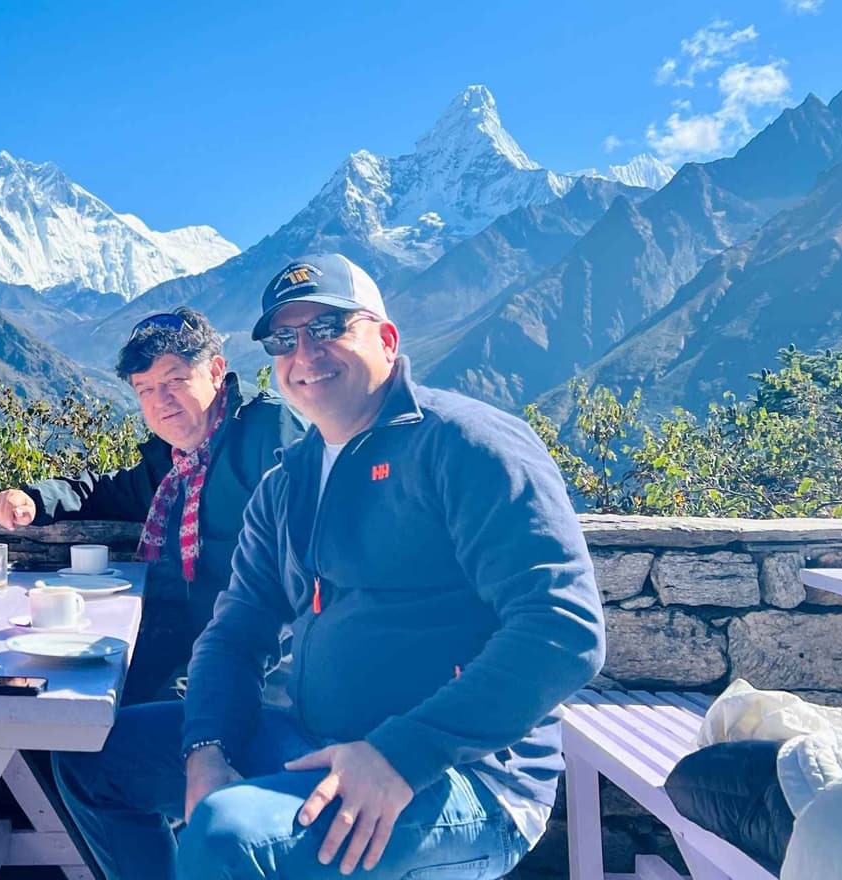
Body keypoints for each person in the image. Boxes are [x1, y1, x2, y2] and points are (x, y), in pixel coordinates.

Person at [52, 254, 607, 879]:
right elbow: (236, 635)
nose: (305, 354)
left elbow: (563, 633)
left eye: (328, 328)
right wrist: (207, 749)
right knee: (96, 761)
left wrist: (398, 755)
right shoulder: (287, 482)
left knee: (228, 836)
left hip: (461, 771)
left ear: (387, 339)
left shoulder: (465, 445)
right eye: (285, 339)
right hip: (314, 738)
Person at [0, 307, 303, 705]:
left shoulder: (269, 433)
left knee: (99, 731)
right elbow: (103, 491)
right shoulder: (172, 462)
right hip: (179, 643)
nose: (162, 401)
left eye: (175, 380)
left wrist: (209, 677)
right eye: (145, 389)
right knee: (40, 691)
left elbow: (302, 583)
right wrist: (32, 498)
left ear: (216, 371)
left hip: (253, 669)